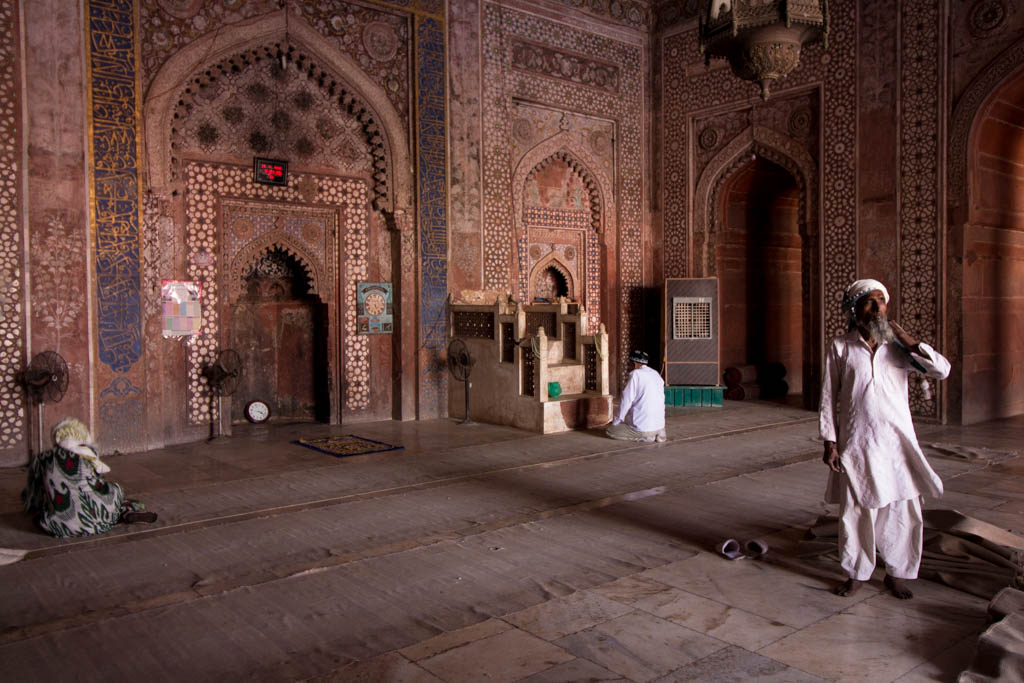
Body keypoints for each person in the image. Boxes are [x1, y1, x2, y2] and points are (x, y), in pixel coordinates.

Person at [820, 279, 950, 599]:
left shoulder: (899, 349)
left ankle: (897, 573)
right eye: (870, 301)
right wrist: (830, 442)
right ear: (855, 310)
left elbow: (941, 370)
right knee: (856, 510)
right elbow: (828, 396)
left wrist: (906, 339)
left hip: (896, 445)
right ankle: (856, 573)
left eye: (881, 300)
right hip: (857, 444)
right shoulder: (841, 347)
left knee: (901, 509)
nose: (878, 307)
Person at [22, 418, 157, 537]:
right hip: (97, 519)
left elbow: (34, 493)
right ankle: (126, 512)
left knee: (44, 511)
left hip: (59, 526)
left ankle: (120, 512)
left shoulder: (41, 458)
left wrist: (34, 506)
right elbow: (98, 485)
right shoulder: (88, 453)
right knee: (115, 490)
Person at [607, 349, 667, 443]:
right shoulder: (656, 374)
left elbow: (626, 401)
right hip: (660, 425)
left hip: (643, 427)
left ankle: (645, 437)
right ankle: (659, 433)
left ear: (634, 363)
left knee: (611, 431)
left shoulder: (636, 374)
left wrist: (616, 422)